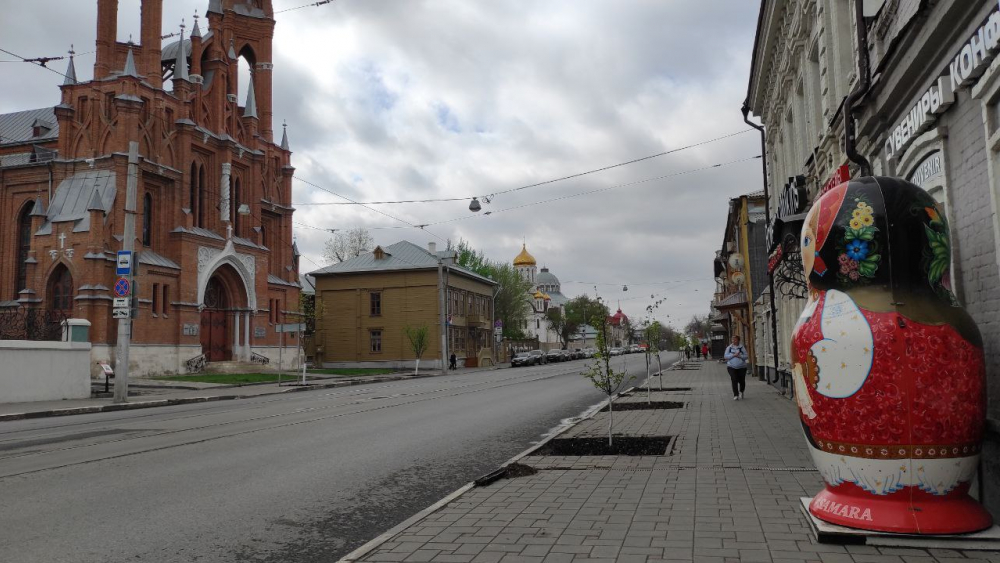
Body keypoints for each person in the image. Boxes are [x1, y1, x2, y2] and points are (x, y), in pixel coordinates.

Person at [724, 335, 748, 400]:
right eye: (732, 340)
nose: (733, 341)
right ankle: (736, 394)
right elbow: (725, 356)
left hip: (742, 367)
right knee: (734, 379)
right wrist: (733, 355)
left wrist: (740, 356)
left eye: (735, 340)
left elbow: (746, 356)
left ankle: (741, 391)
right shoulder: (729, 348)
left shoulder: (741, 347)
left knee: (741, 380)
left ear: (738, 340)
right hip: (731, 366)